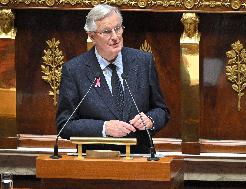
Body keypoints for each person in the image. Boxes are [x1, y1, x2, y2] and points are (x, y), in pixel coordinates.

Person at [56, 4, 170, 154]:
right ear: (91, 36)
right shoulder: (75, 70)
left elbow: (162, 110)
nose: (115, 37)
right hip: (94, 161)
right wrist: (104, 128)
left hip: (140, 158)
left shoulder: (143, 62)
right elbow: (65, 125)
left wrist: (150, 120)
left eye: (118, 28)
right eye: (106, 32)